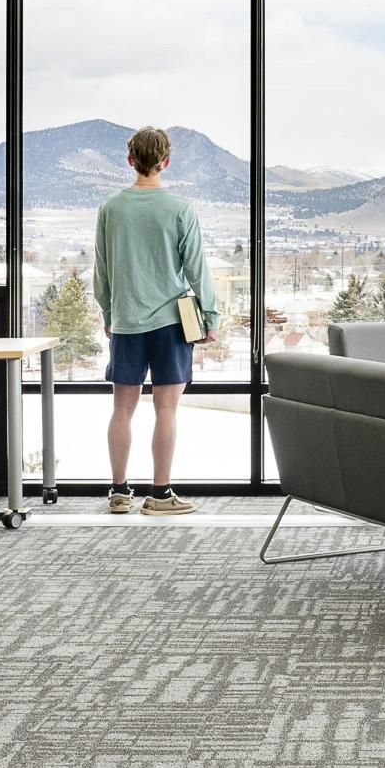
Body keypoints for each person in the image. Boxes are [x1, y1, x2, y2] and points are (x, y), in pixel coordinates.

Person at [92, 125, 220, 516]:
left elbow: (102, 271)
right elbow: (198, 270)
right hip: (172, 324)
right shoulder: (180, 209)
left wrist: (110, 314)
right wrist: (210, 316)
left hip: (127, 322)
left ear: (131, 160)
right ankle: (160, 495)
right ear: (165, 161)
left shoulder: (110, 208)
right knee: (166, 410)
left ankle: (118, 493)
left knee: (122, 409)